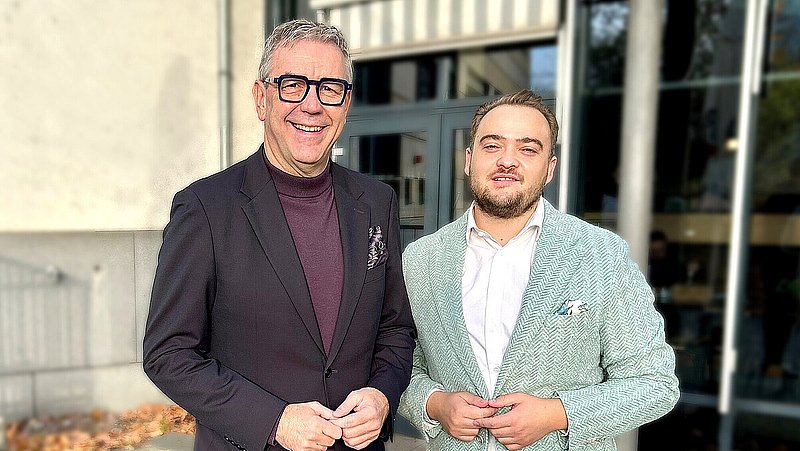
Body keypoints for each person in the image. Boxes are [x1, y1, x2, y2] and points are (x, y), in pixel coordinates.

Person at [143, 19, 416, 451]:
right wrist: (273, 421)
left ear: (346, 103)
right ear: (261, 98)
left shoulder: (377, 201)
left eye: (330, 88)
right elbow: (168, 354)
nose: (312, 105)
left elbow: (395, 328)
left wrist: (382, 396)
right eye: (293, 85)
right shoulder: (205, 208)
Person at [398, 90, 679, 451]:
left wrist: (557, 414)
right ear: (469, 160)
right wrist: (434, 403)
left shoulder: (601, 255)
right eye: (492, 146)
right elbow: (399, 364)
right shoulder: (421, 259)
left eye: (528, 149)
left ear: (550, 168)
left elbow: (655, 383)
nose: (507, 160)